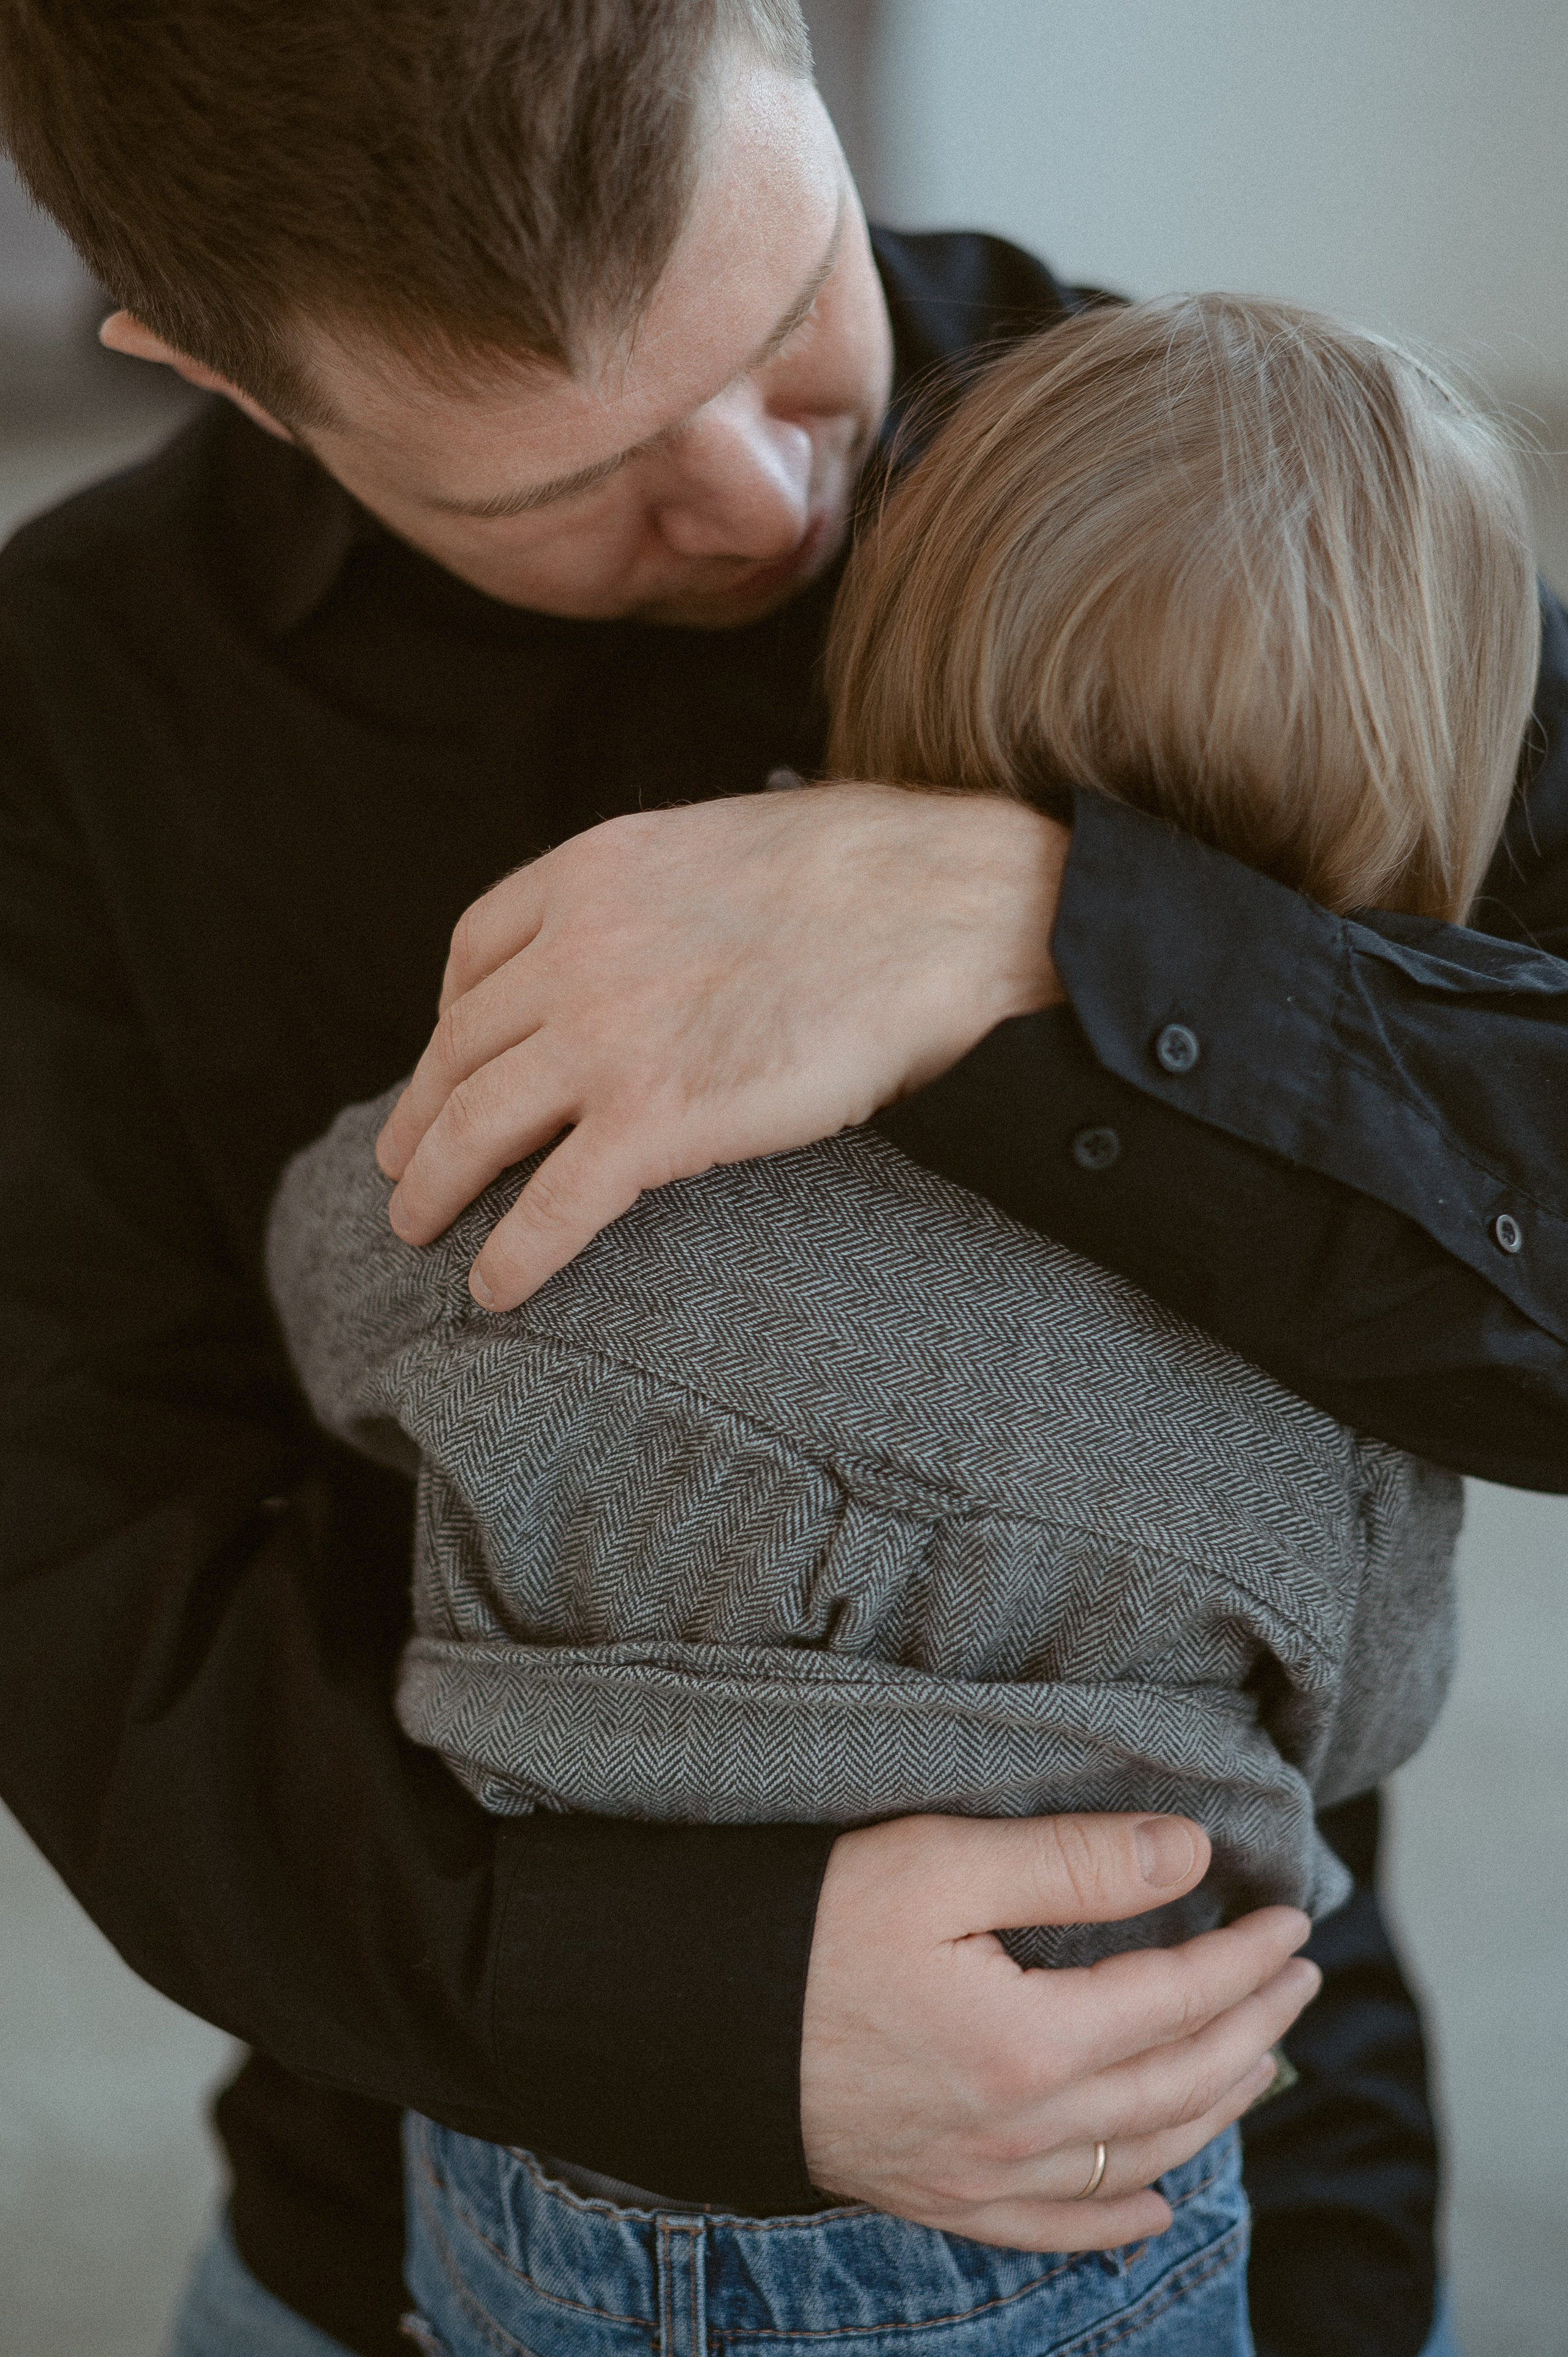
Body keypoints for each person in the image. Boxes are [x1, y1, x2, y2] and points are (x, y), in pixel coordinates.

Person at [0, 2, 1561, 2351]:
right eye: (559, 482)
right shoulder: (75, 695)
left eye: (786, 321)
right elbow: (69, 1545)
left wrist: (1067, 934)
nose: (757, 503)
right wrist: (690, 2004)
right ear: (220, 372)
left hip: (1245, 2171)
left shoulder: (1267, 511)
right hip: (404, 2181)